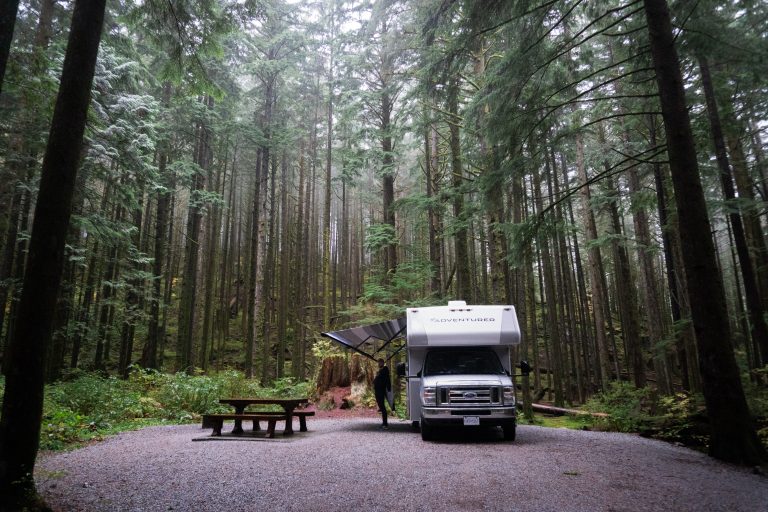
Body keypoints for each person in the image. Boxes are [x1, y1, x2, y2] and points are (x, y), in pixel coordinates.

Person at [373, 358, 391, 430]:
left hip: (381, 391)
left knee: (382, 407)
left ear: (383, 363)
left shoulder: (385, 370)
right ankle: (384, 423)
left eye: (380, 362)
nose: (379, 364)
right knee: (381, 406)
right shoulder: (381, 371)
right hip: (378, 390)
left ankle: (385, 424)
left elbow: (387, 380)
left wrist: (388, 389)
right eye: (378, 363)